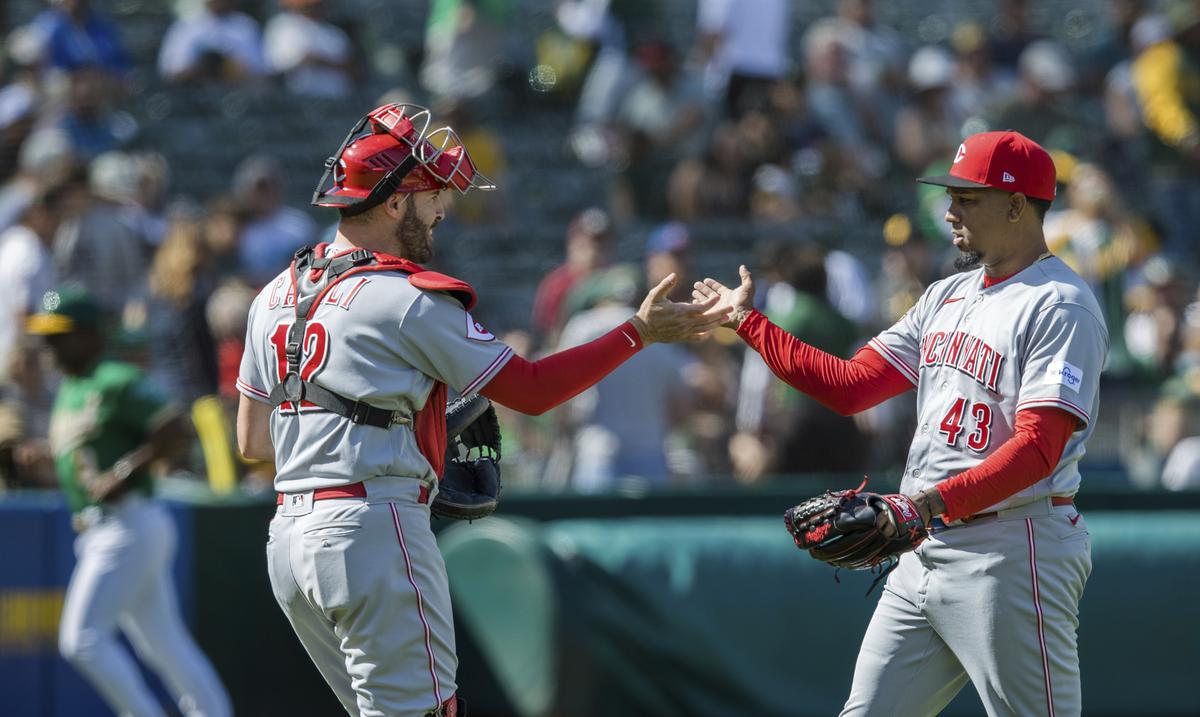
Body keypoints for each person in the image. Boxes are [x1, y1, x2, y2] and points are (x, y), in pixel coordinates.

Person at [235, 103, 724, 716]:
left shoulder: (271, 296)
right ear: (393, 203)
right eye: (433, 195)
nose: (442, 211)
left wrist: (364, 432)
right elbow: (534, 391)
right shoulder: (405, 298)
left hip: (289, 544)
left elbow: (254, 440)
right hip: (370, 529)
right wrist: (638, 334)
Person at [695, 130, 1107, 715]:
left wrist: (926, 506)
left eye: (968, 198)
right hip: (924, 545)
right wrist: (748, 324)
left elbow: (1039, 450)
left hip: (1013, 548)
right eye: (951, 195)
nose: (949, 210)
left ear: (1017, 206)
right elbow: (850, 387)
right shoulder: (945, 294)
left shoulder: (1059, 304)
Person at [27, 287, 232, 717]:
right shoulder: (73, 387)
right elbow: (87, 455)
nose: (49, 344)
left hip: (127, 523)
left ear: (88, 335)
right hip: (111, 525)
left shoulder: (113, 379)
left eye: (59, 334)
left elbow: (175, 427)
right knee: (165, 645)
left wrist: (123, 471)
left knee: (82, 639)